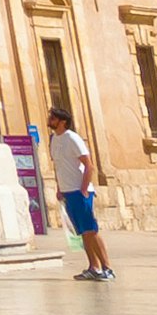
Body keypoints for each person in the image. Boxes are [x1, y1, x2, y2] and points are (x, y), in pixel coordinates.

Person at [47, 108, 112, 280]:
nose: (50, 119)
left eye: (53, 118)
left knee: (91, 229)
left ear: (62, 121)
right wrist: (60, 188)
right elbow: (59, 166)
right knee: (83, 232)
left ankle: (107, 268)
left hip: (80, 191)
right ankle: (93, 267)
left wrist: (83, 189)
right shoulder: (54, 139)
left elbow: (89, 165)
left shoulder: (72, 138)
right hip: (68, 192)